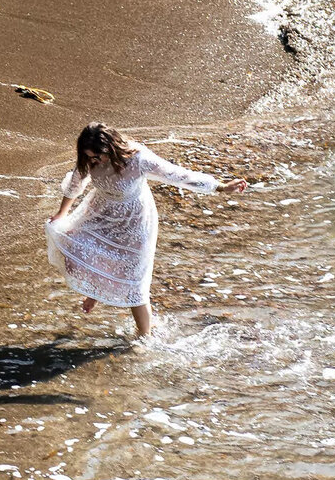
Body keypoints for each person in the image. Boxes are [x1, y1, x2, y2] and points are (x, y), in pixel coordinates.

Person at [47, 121, 244, 340]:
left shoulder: (138, 159)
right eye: (90, 157)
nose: (95, 162)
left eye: (98, 157)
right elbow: (76, 183)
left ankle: (144, 338)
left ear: (111, 149)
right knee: (74, 247)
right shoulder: (89, 160)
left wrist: (220, 187)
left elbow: (178, 175)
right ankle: (96, 291)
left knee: (135, 284)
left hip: (135, 222)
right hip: (101, 212)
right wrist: (61, 213)